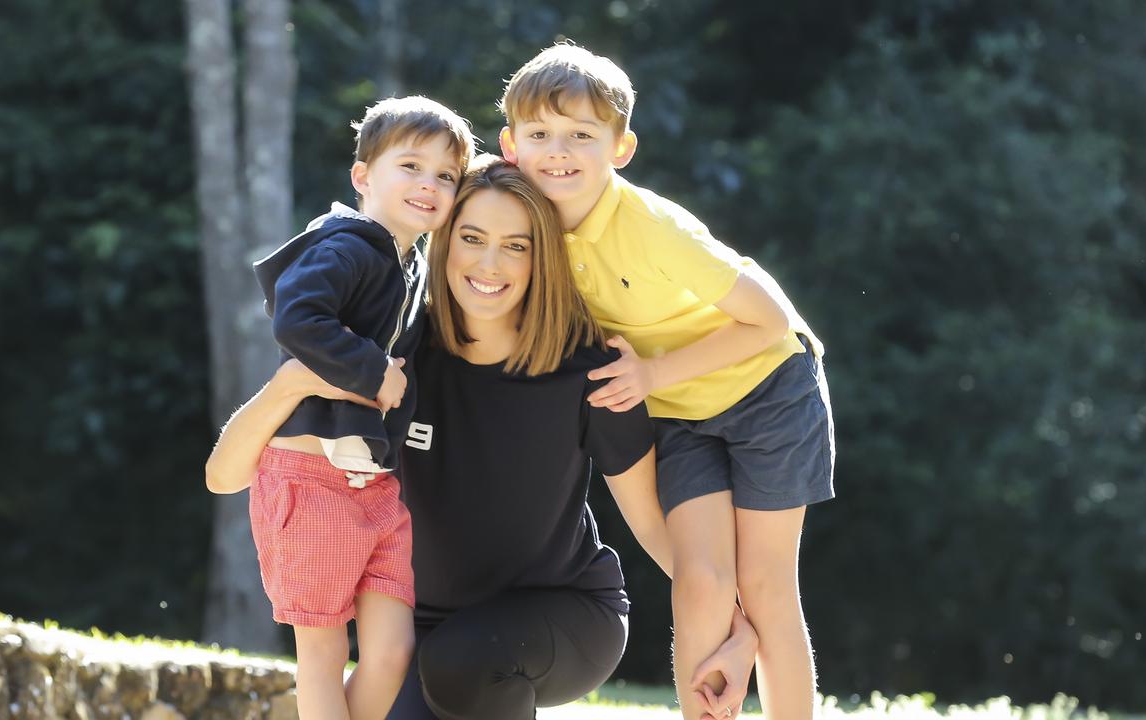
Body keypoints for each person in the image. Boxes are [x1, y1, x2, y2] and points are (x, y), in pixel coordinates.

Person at [206, 155, 758, 720]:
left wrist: (739, 625)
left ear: (541, 257)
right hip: (424, 632)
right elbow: (225, 476)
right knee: (444, 661)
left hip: (562, 614)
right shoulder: (393, 357)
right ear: (444, 240)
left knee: (463, 661)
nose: (490, 263)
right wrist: (288, 386)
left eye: (516, 245)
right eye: (471, 237)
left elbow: (651, 522)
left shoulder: (590, 373)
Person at [498, 43, 836, 720]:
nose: (557, 151)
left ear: (621, 148)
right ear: (510, 146)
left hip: (771, 389)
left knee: (766, 583)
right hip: (681, 414)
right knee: (701, 584)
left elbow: (769, 321)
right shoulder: (523, 224)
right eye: (539, 135)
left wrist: (650, 373)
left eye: (581, 136)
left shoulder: (653, 227)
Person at [238, 96, 474, 720]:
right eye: (411, 166)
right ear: (363, 176)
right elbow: (298, 318)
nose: (429, 184)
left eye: (445, 176)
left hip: (373, 486)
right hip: (309, 478)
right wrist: (372, 373)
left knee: (393, 650)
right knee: (321, 654)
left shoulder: (412, 263)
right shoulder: (345, 247)